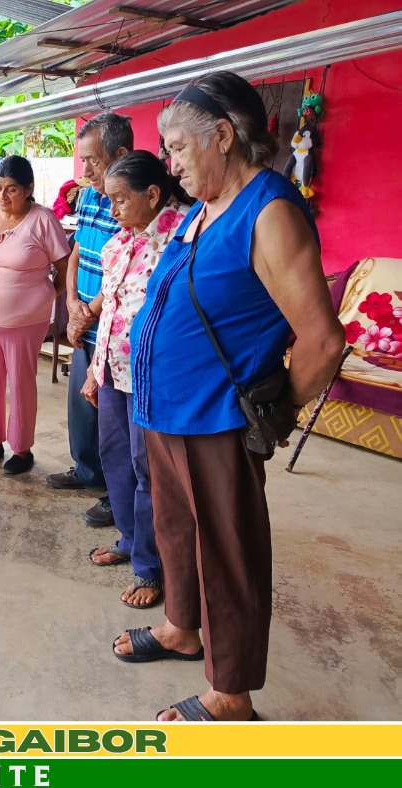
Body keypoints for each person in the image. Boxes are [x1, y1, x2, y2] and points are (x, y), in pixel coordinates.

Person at [112, 72, 345, 721]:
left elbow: (323, 340)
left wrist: (277, 414)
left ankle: (230, 693)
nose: (171, 163)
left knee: (228, 554)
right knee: (177, 531)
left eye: (178, 147)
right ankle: (182, 629)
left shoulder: (269, 212)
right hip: (164, 409)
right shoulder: (203, 207)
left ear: (221, 135)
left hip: (215, 419)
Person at [80, 151, 190, 609]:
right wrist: (94, 370)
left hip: (153, 377)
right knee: (115, 459)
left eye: (120, 199)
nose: (112, 210)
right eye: (109, 200)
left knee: (150, 471)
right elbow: (112, 310)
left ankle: (151, 566)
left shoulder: (182, 236)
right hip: (112, 372)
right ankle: (129, 539)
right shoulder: (121, 241)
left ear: (153, 194)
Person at [46, 112, 133, 532]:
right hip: (85, 317)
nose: (85, 169)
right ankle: (87, 471)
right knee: (83, 409)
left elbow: (125, 267)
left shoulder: (131, 200)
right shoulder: (90, 197)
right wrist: (72, 301)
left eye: (93, 160)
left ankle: (117, 496)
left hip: (114, 326)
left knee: (114, 419)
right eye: (83, 160)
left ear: (120, 154)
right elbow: (77, 250)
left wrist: (89, 312)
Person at [0, 155, 70, 475]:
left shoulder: (42, 219)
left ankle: (22, 449)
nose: (2, 195)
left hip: (24, 322)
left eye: (11, 189)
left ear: (28, 189)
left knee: (21, 383)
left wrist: (47, 294)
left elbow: (66, 268)